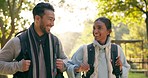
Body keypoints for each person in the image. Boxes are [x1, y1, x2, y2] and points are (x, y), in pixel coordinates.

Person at [0, 2, 68, 78]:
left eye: (53, 20)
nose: (52, 24)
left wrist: (64, 65)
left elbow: (67, 61)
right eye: (50, 19)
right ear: (37, 18)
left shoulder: (55, 42)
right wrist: (18, 66)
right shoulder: (17, 42)